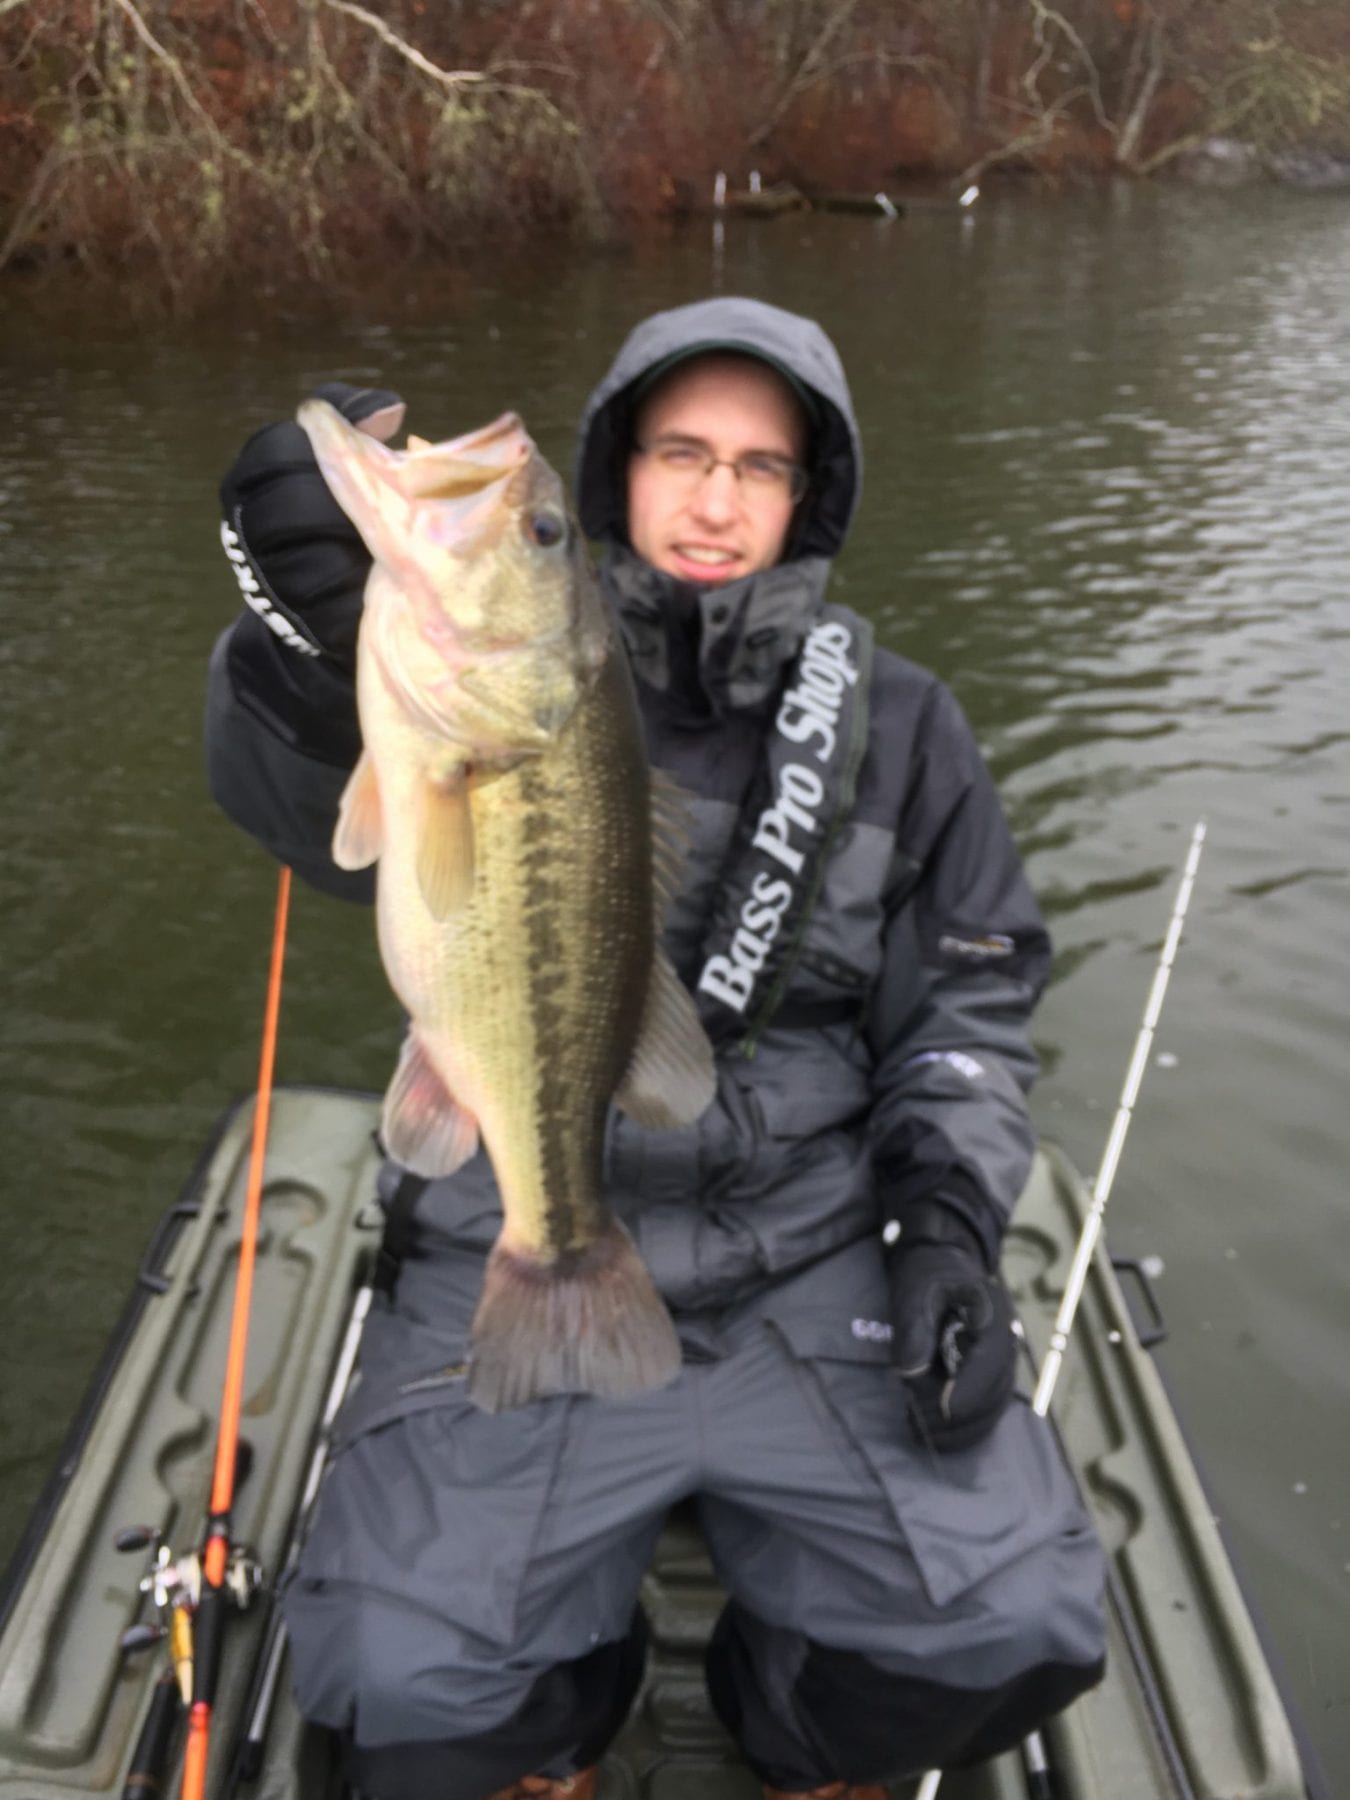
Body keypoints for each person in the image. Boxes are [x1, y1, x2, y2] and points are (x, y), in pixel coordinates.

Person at [206, 297, 1107, 1800]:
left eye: (757, 467)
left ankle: (786, 1719)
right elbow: (306, 808)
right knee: (385, 1682)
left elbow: (970, 1005)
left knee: (1019, 1623)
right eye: (680, 451)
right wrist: (299, 647)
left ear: (802, 499)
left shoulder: (905, 726)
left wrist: (944, 1226)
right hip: (512, 1208)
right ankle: (569, 1709)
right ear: (617, 464)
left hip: (811, 1261)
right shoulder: (472, 670)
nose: (712, 498)